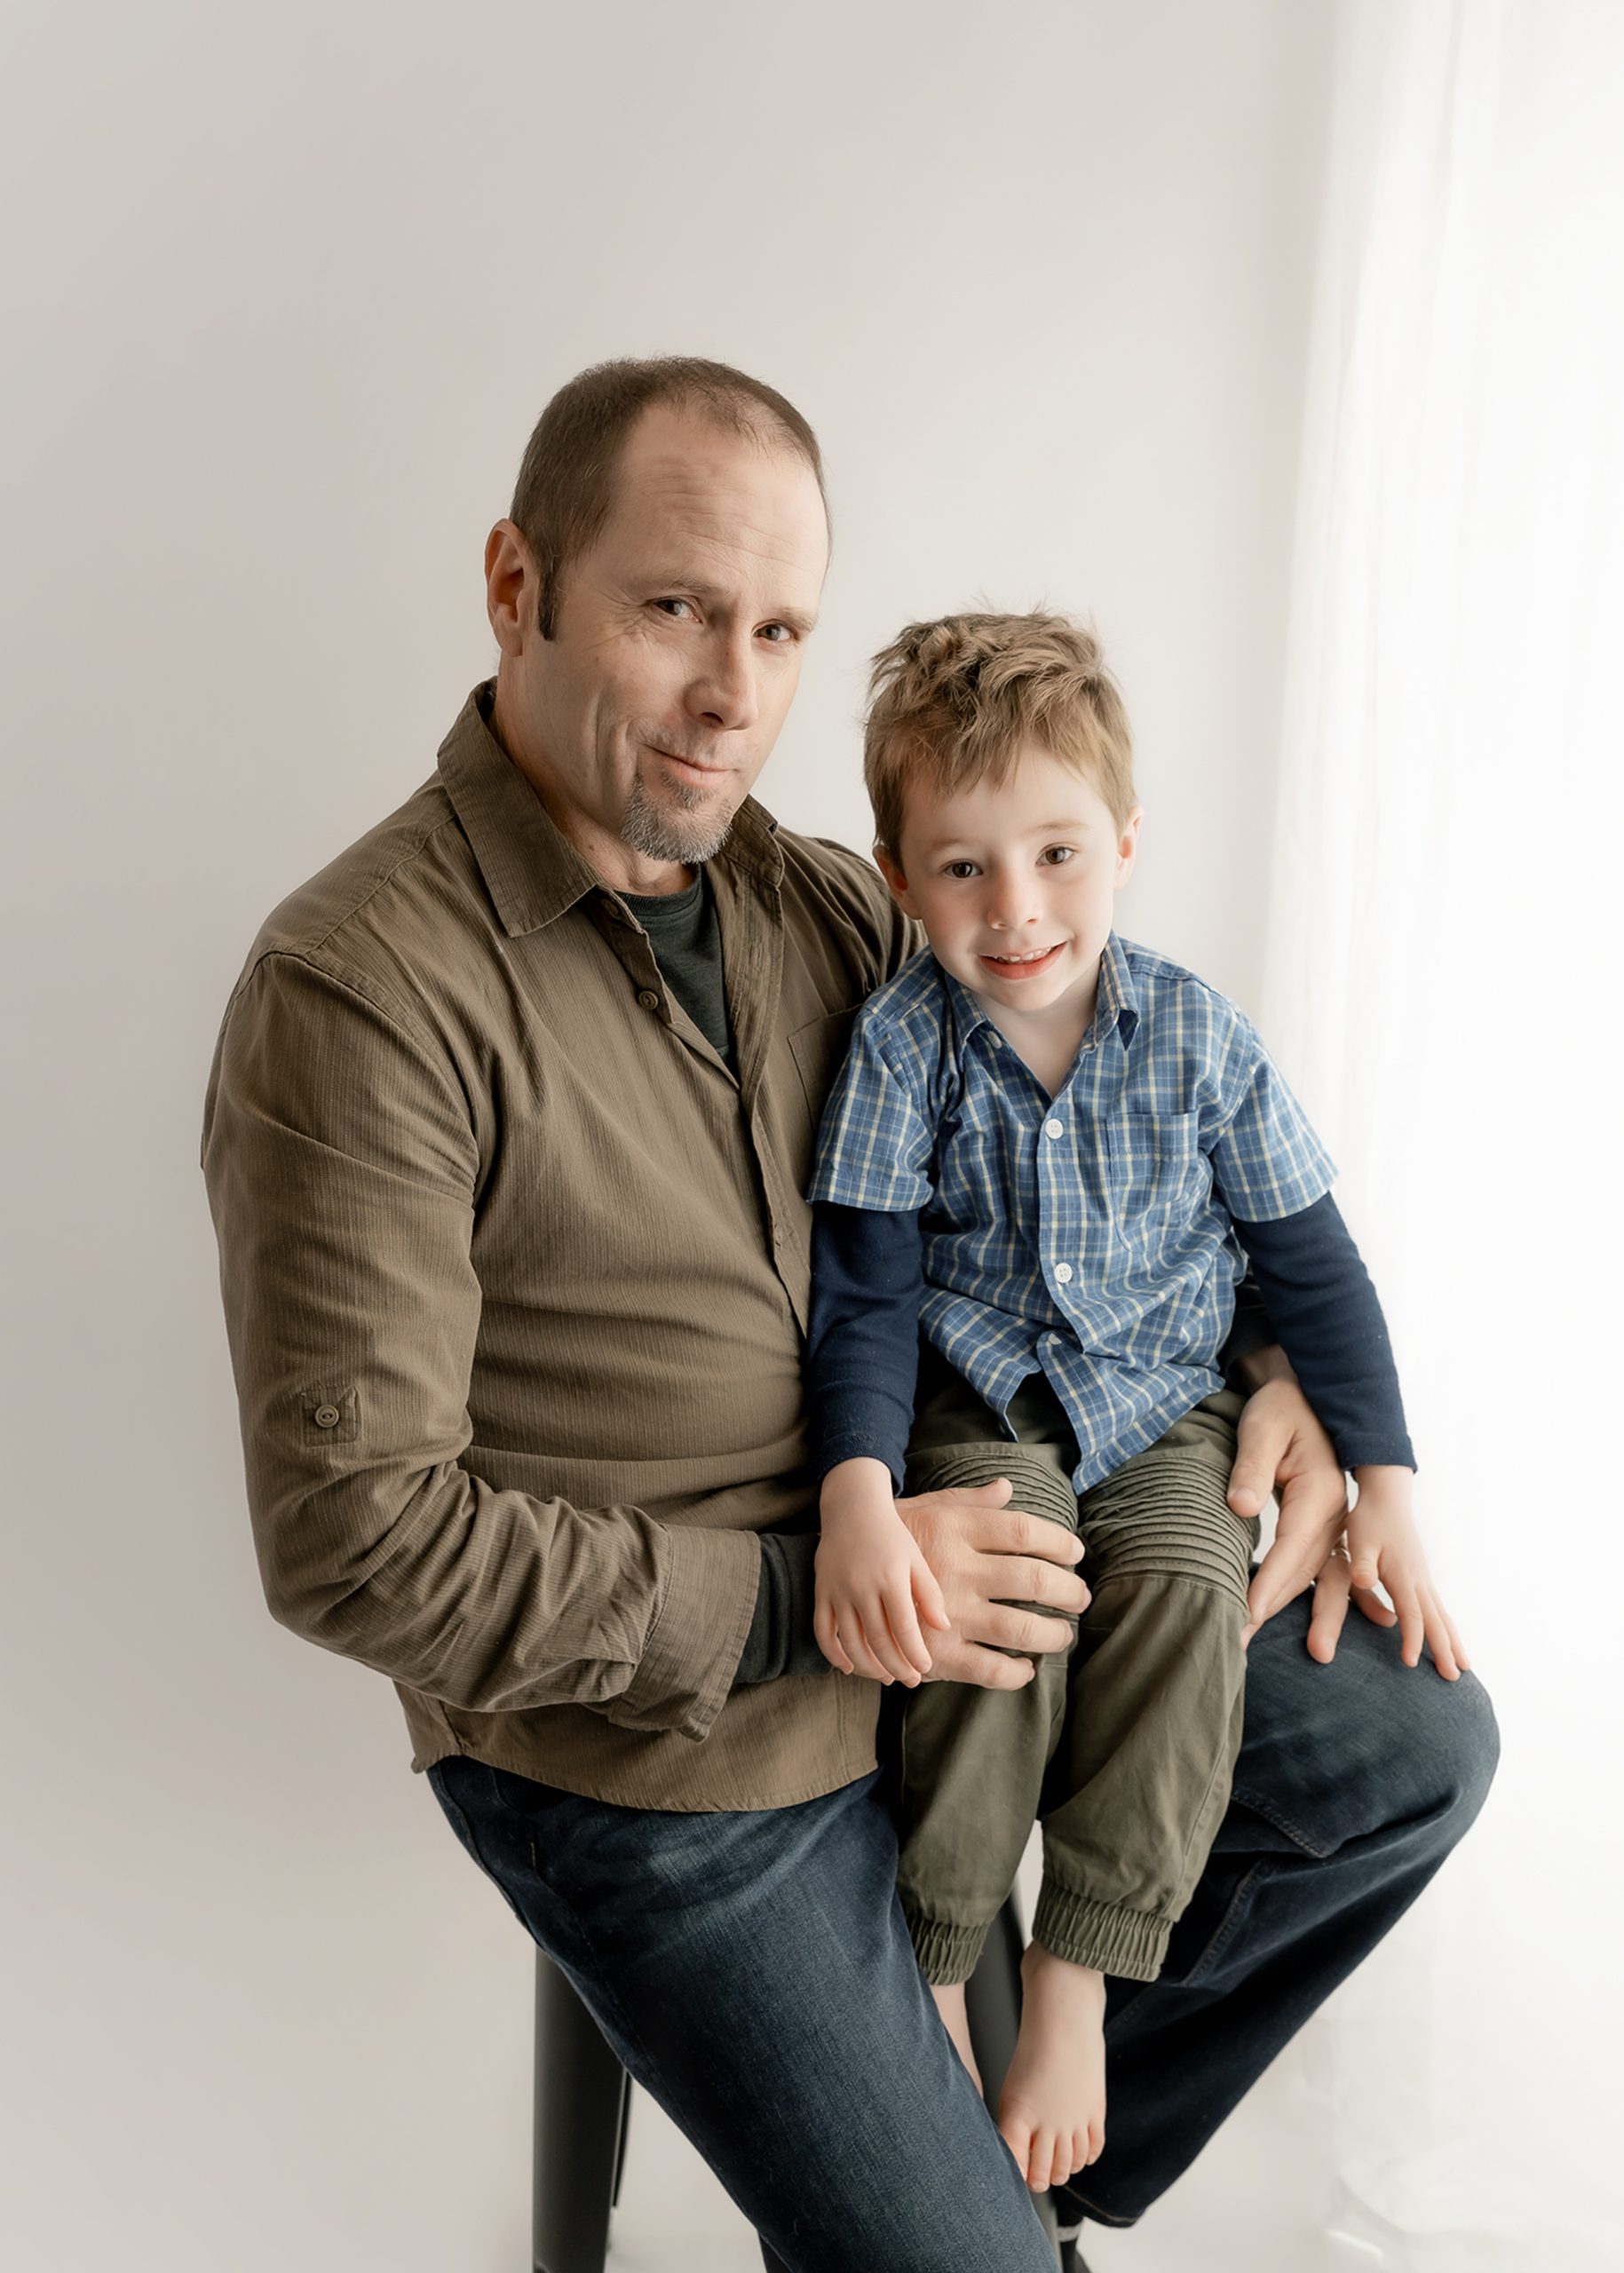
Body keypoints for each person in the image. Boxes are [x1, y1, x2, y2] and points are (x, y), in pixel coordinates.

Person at [199, 355, 1497, 2273]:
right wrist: (799, 1588)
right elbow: (354, 1543)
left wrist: (1282, 1374)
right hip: (665, 1745)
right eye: (674, 609)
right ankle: (976, 2207)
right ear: (514, 582)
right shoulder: (361, 987)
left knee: (1407, 1748)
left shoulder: (830, 913)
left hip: (983, 1559)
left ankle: (1020, 2137)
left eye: (781, 626)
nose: (737, 692)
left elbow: (1082, 1173)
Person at [803, 610, 1469, 2199]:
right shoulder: (903, 1051)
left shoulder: (1193, 1036)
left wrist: (1382, 1480)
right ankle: (942, 1960)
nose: (1015, 909)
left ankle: (1079, 1978)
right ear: (900, 877)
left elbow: (1313, 1266)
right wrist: (853, 1484)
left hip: (1167, 1407)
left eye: (1054, 854)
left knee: (1183, 1588)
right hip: (982, 1411)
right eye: (960, 867)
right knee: (1010, 1587)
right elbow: (868, 1299)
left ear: (1122, 842)